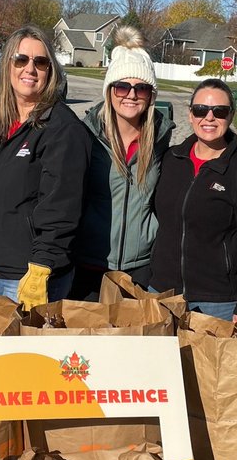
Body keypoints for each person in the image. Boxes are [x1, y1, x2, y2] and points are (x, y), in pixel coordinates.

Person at [0, 25, 90, 310]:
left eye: (40, 62)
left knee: (26, 356)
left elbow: (61, 209)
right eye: (21, 60)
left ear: (51, 71)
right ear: (8, 64)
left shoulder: (63, 130)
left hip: (31, 275)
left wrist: (42, 266)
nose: (30, 69)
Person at [149, 79, 237, 321]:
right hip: (162, 294)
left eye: (220, 111)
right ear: (191, 114)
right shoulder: (171, 160)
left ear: (231, 115)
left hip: (218, 303)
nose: (209, 118)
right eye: (201, 110)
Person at [69, 26, 174, 301]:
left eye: (141, 88)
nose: (131, 94)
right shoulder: (85, 137)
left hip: (139, 270)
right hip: (89, 265)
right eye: (122, 86)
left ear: (151, 95)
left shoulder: (161, 141)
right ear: (109, 90)